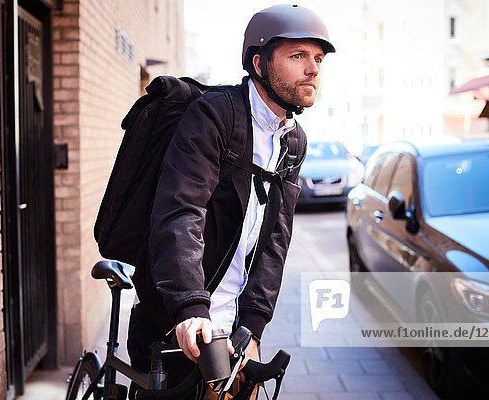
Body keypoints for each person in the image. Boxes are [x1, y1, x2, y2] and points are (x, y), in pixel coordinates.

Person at [128, 4, 335, 398]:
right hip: (178, 317)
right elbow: (180, 213)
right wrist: (189, 308)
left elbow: (277, 238)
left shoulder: (294, 141)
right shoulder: (215, 116)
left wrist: (254, 325)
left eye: (318, 58)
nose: (313, 69)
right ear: (259, 63)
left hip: (235, 327)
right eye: (298, 56)